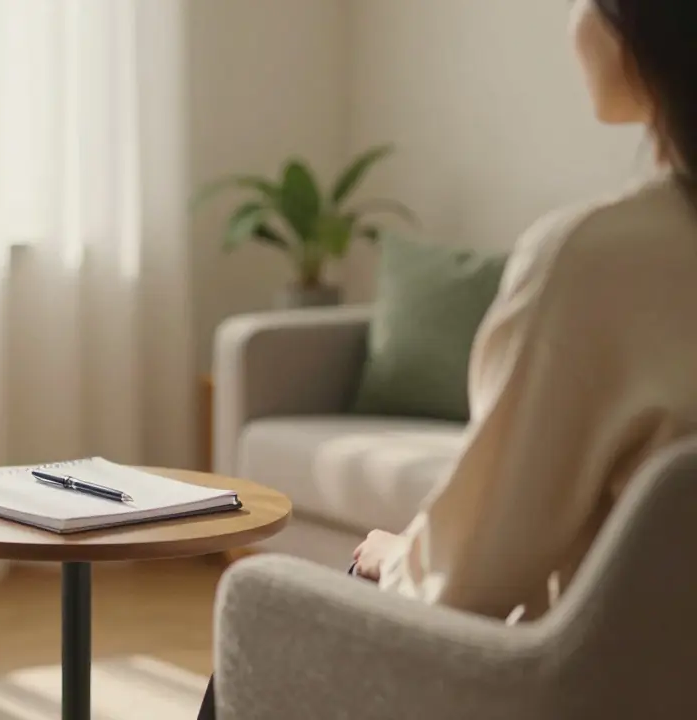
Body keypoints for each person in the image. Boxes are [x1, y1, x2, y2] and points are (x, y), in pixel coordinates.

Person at [201, 0, 697, 716]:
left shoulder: (595, 262)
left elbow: (473, 581)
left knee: (257, 618)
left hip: (577, 687)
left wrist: (396, 557)